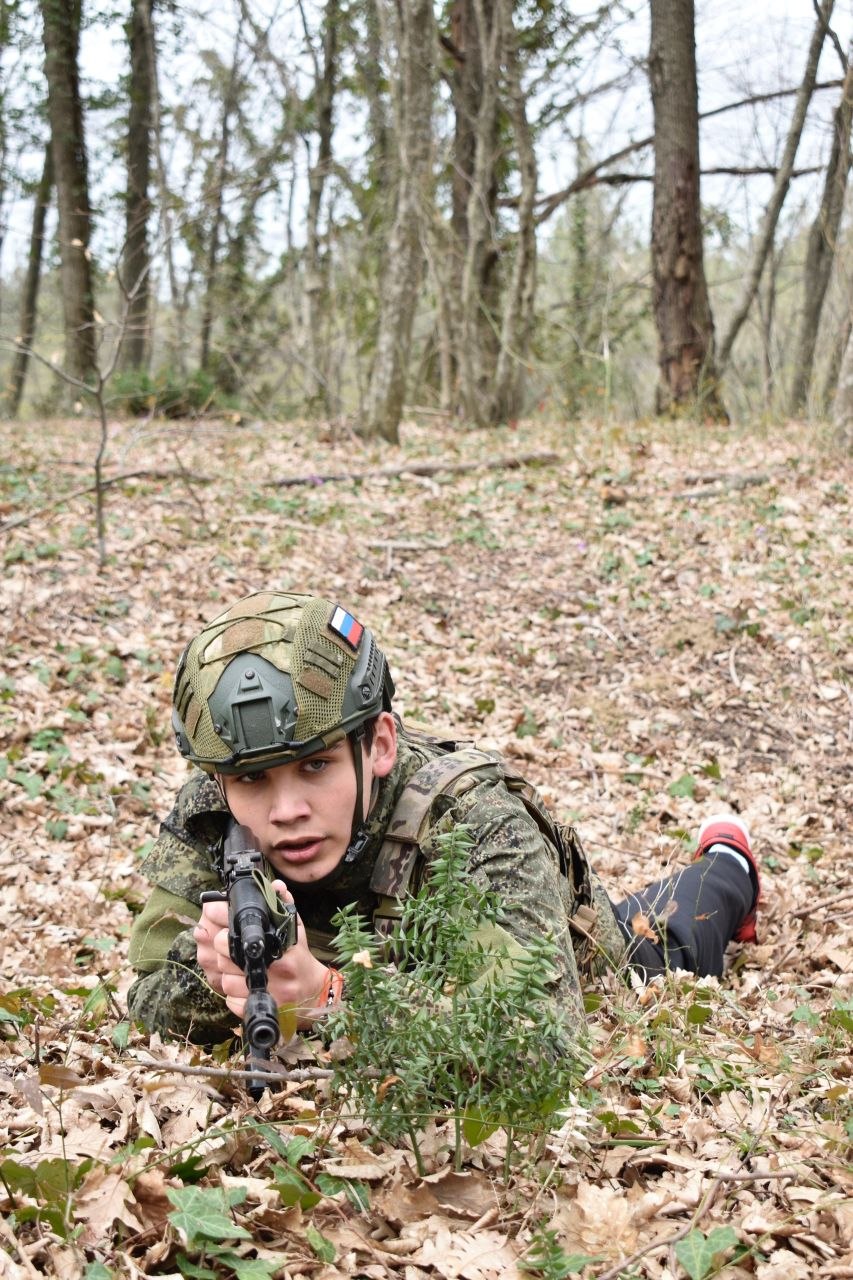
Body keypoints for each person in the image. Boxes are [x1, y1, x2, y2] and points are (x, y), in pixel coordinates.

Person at [127, 591, 761, 1047]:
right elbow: (146, 995)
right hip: (424, 978)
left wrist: (329, 1000)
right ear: (219, 778)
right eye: (252, 780)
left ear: (377, 745)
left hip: (577, 956)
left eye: (316, 767)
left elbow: (540, 1034)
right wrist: (220, 974)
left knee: (674, 936)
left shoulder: (476, 820)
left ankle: (730, 863)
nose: (286, 811)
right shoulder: (215, 809)